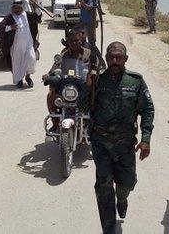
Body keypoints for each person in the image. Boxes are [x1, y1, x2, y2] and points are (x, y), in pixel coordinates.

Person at [88, 42, 154, 234]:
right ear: (106, 58)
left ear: (125, 59)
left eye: (119, 57)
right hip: (101, 143)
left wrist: (146, 139)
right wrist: (88, 85)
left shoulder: (136, 82)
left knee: (126, 183)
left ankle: (122, 198)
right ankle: (108, 229)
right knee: (104, 187)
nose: (114, 61)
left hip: (126, 144)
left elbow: (147, 110)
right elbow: (83, 107)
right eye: (111, 57)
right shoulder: (98, 80)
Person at [43, 27, 99, 133]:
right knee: (51, 95)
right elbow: (56, 65)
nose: (74, 43)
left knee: (95, 96)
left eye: (77, 40)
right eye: (71, 41)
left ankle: (93, 125)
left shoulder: (89, 54)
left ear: (81, 40)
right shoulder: (64, 54)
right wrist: (48, 74)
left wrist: (94, 73)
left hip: (83, 86)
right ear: (68, 41)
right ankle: (55, 123)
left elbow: (96, 66)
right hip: (67, 85)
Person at [0, 0, 42, 88]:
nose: (17, 10)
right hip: (15, 45)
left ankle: (28, 76)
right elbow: (1, 28)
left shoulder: (28, 15)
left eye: (19, 8)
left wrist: (37, 6)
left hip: (28, 43)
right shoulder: (9, 17)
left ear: (22, 8)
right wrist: (10, 27)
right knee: (17, 63)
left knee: (31, 59)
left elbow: (38, 15)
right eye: (15, 8)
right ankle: (19, 80)